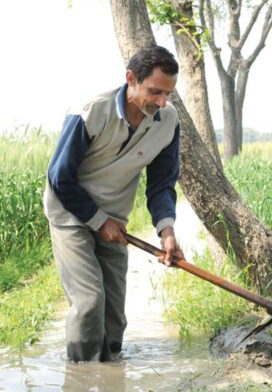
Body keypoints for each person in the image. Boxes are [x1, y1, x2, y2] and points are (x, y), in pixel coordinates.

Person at [43, 44, 185, 362]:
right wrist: (98, 221)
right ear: (131, 78)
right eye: (154, 92)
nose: (161, 102)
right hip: (69, 212)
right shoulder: (92, 110)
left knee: (114, 313)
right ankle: (81, 373)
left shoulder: (168, 121)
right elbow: (59, 177)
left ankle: (111, 369)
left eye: (168, 94)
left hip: (115, 216)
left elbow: (162, 184)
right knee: (90, 300)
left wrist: (167, 231)